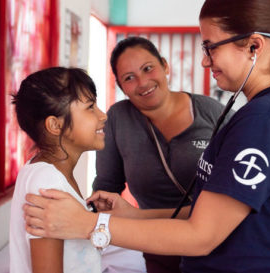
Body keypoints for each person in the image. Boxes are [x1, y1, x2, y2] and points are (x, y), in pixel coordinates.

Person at [23, 0, 270, 272]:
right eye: (128, 77)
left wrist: (87, 225)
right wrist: (130, 216)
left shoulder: (262, 123)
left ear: (254, 46)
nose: (204, 62)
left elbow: (201, 235)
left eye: (210, 47)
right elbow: (214, 212)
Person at [93, 36, 231, 273]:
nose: (143, 82)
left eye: (148, 68)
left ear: (165, 66)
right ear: (121, 86)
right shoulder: (118, 119)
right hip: (159, 246)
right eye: (129, 78)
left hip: (220, 246)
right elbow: (106, 188)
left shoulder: (210, 112)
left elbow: (239, 185)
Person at [9, 67, 107, 273]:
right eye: (90, 107)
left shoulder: (47, 170)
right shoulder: (47, 183)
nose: (103, 115)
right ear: (55, 125)